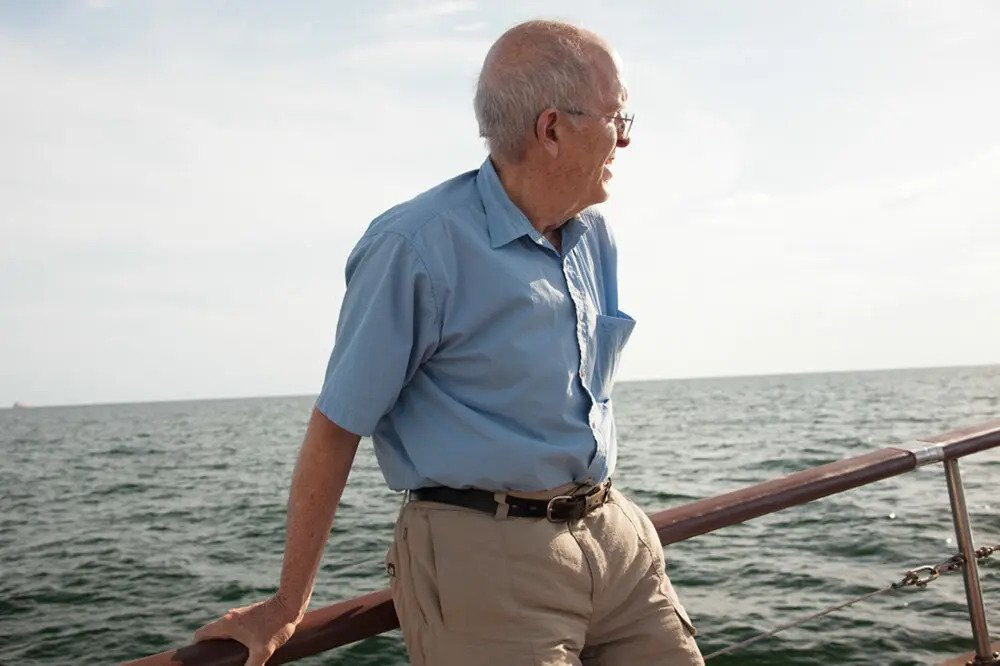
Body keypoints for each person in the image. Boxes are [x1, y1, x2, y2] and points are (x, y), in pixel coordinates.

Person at [194, 19, 704, 666]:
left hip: (617, 540)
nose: (626, 138)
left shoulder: (594, 236)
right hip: (488, 564)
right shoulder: (415, 248)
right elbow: (336, 427)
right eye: (616, 117)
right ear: (551, 129)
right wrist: (287, 604)